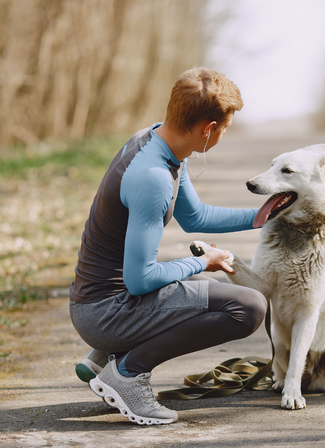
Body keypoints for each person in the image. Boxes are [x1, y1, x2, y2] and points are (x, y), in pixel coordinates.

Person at [69, 67, 267, 425]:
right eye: (225, 128)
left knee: (209, 291)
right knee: (248, 307)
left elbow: (196, 217)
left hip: (96, 300)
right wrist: (202, 261)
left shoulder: (156, 141)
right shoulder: (154, 179)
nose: (224, 133)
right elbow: (140, 280)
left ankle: (102, 358)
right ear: (208, 128)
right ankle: (128, 372)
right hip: (105, 311)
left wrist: (262, 215)